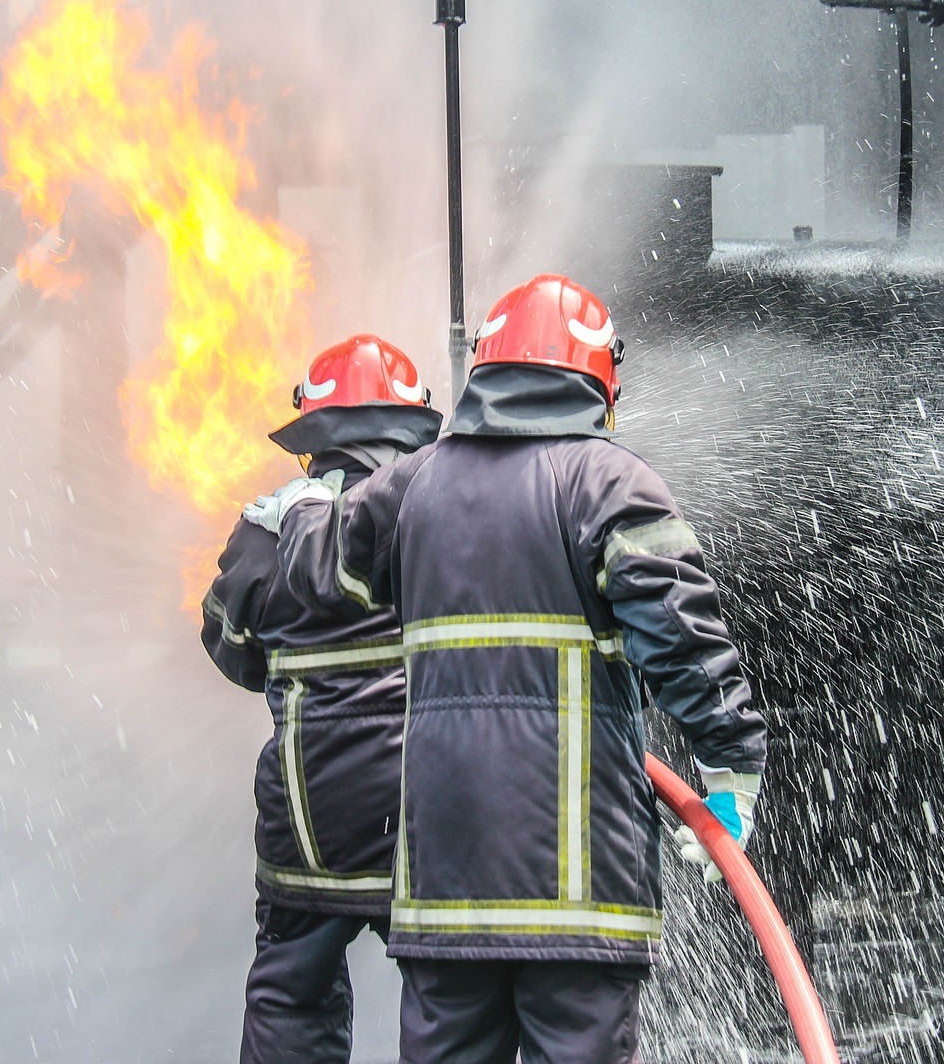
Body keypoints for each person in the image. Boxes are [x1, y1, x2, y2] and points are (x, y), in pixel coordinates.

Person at [245, 273, 768, 1064]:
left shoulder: (416, 484)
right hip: (577, 896)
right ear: (598, 379)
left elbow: (321, 576)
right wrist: (731, 766)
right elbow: (683, 638)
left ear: (485, 369)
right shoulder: (610, 483)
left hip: (445, 896)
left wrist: (307, 505)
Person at [200, 333, 443, 1064]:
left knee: (291, 994)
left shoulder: (266, 528)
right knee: (450, 1004)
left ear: (313, 432)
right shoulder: (443, 513)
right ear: (412, 423)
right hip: (427, 813)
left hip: (308, 816)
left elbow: (229, 646)